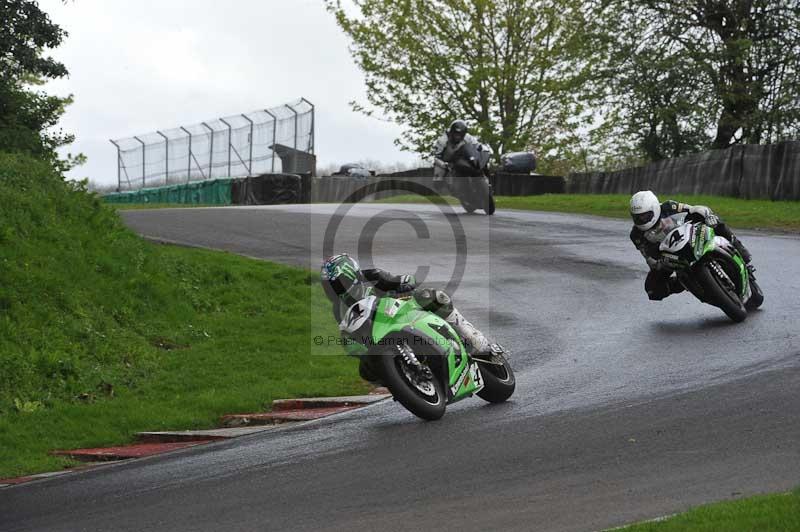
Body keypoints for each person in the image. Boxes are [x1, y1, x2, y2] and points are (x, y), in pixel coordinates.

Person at [321, 253, 499, 381]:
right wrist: (361, 352)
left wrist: (404, 283)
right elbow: (350, 334)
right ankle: (402, 376)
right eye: (329, 286)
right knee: (365, 370)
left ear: (351, 275)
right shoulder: (339, 310)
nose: (335, 290)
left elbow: (399, 280)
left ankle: (473, 338)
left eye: (337, 284)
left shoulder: (372, 276)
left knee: (433, 297)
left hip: (406, 313)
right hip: (384, 336)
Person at [629, 190, 753, 301]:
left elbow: (694, 209)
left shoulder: (668, 206)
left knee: (717, 222)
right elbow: (648, 258)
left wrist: (708, 215)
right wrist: (658, 264)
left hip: (689, 237)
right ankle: (682, 283)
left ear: (655, 208)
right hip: (668, 258)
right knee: (652, 290)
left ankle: (741, 252)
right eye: (638, 217)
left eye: (645, 215)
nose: (642, 220)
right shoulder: (636, 235)